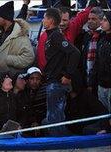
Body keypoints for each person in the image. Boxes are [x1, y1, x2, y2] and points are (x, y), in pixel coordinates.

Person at [42, 8, 80, 136]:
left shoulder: (56, 36)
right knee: (52, 118)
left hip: (57, 83)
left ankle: (58, 148)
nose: (42, 20)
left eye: (45, 18)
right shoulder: (50, 36)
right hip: (51, 82)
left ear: (51, 21)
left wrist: (68, 75)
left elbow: (74, 53)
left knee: (55, 119)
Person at [37, 0, 97, 71]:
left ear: (70, 20)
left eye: (65, 20)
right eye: (60, 20)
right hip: (51, 73)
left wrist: (92, 4)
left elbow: (82, 17)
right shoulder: (45, 36)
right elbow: (41, 58)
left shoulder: (72, 27)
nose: (62, 23)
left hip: (65, 72)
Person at [0, 1, 35, 75]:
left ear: (6, 19)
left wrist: (8, 59)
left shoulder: (20, 35)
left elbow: (29, 57)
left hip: (9, 77)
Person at [79, 7, 104, 95]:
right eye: (89, 19)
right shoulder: (86, 35)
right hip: (86, 79)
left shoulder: (105, 36)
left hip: (100, 82)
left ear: (101, 20)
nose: (90, 21)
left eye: (93, 19)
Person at [15, 67, 47, 137]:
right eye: (32, 78)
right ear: (27, 80)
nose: (35, 81)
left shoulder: (45, 90)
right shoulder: (22, 92)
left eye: (37, 79)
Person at [90, 12, 111, 112]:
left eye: (105, 20)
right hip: (101, 85)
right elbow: (97, 63)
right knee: (103, 114)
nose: (101, 22)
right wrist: (92, 81)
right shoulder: (102, 40)